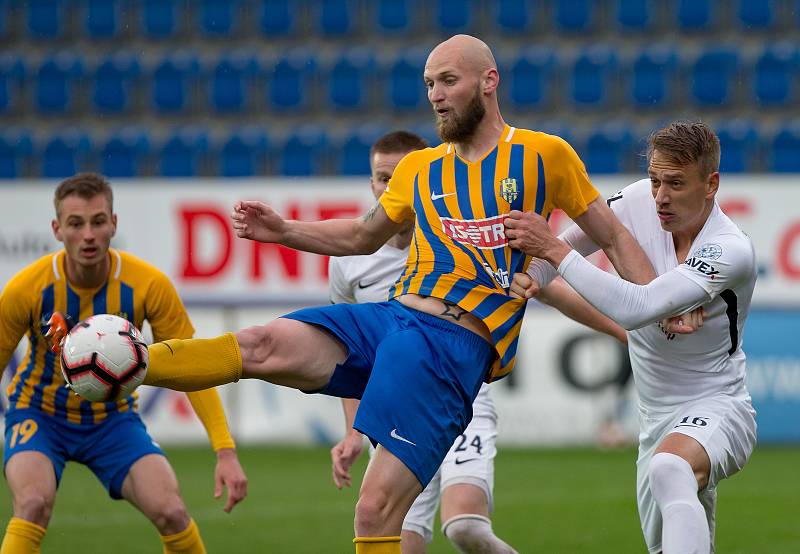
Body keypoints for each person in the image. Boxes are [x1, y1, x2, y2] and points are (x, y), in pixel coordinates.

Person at [57, 35, 655, 553]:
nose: (436, 94)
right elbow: (364, 233)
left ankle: (117, 366)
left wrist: (658, 306)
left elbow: (614, 236)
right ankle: (122, 366)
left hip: (452, 348)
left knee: (375, 514)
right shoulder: (422, 166)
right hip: (391, 320)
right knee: (262, 343)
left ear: (489, 81)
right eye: (429, 84)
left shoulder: (543, 154)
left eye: (448, 80)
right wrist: (285, 231)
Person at [506, 121, 757, 554]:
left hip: (718, 404)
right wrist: (528, 279)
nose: (660, 196)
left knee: (671, 468)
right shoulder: (637, 199)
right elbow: (558, 253)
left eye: (676, 184)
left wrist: (553, 252)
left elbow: (636, 308)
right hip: (654, 420)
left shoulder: (729, 249)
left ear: (711, 183)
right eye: (656, 179)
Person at [0, 173, 248, 554]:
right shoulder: (26, 289)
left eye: (98, 221)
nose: (88, 235)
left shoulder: (148, 286)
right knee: (33, 504)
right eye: (76, 223)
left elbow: (193, 368)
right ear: (56, 229)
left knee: (172, 511)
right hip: (39, 415)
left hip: (112, 422)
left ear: (114, 224)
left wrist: (225, 450)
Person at [328, 130, 518, 554]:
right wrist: (352, 433)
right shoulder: (347, 260)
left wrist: (627, 322)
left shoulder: (461, 237)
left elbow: (552, 287)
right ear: (372, 184)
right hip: (394, 410)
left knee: (465, 526)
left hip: (460, 399)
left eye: (401, 176)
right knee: (397, 541)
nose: (391, 187)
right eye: (382, 178)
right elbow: (347, 351)